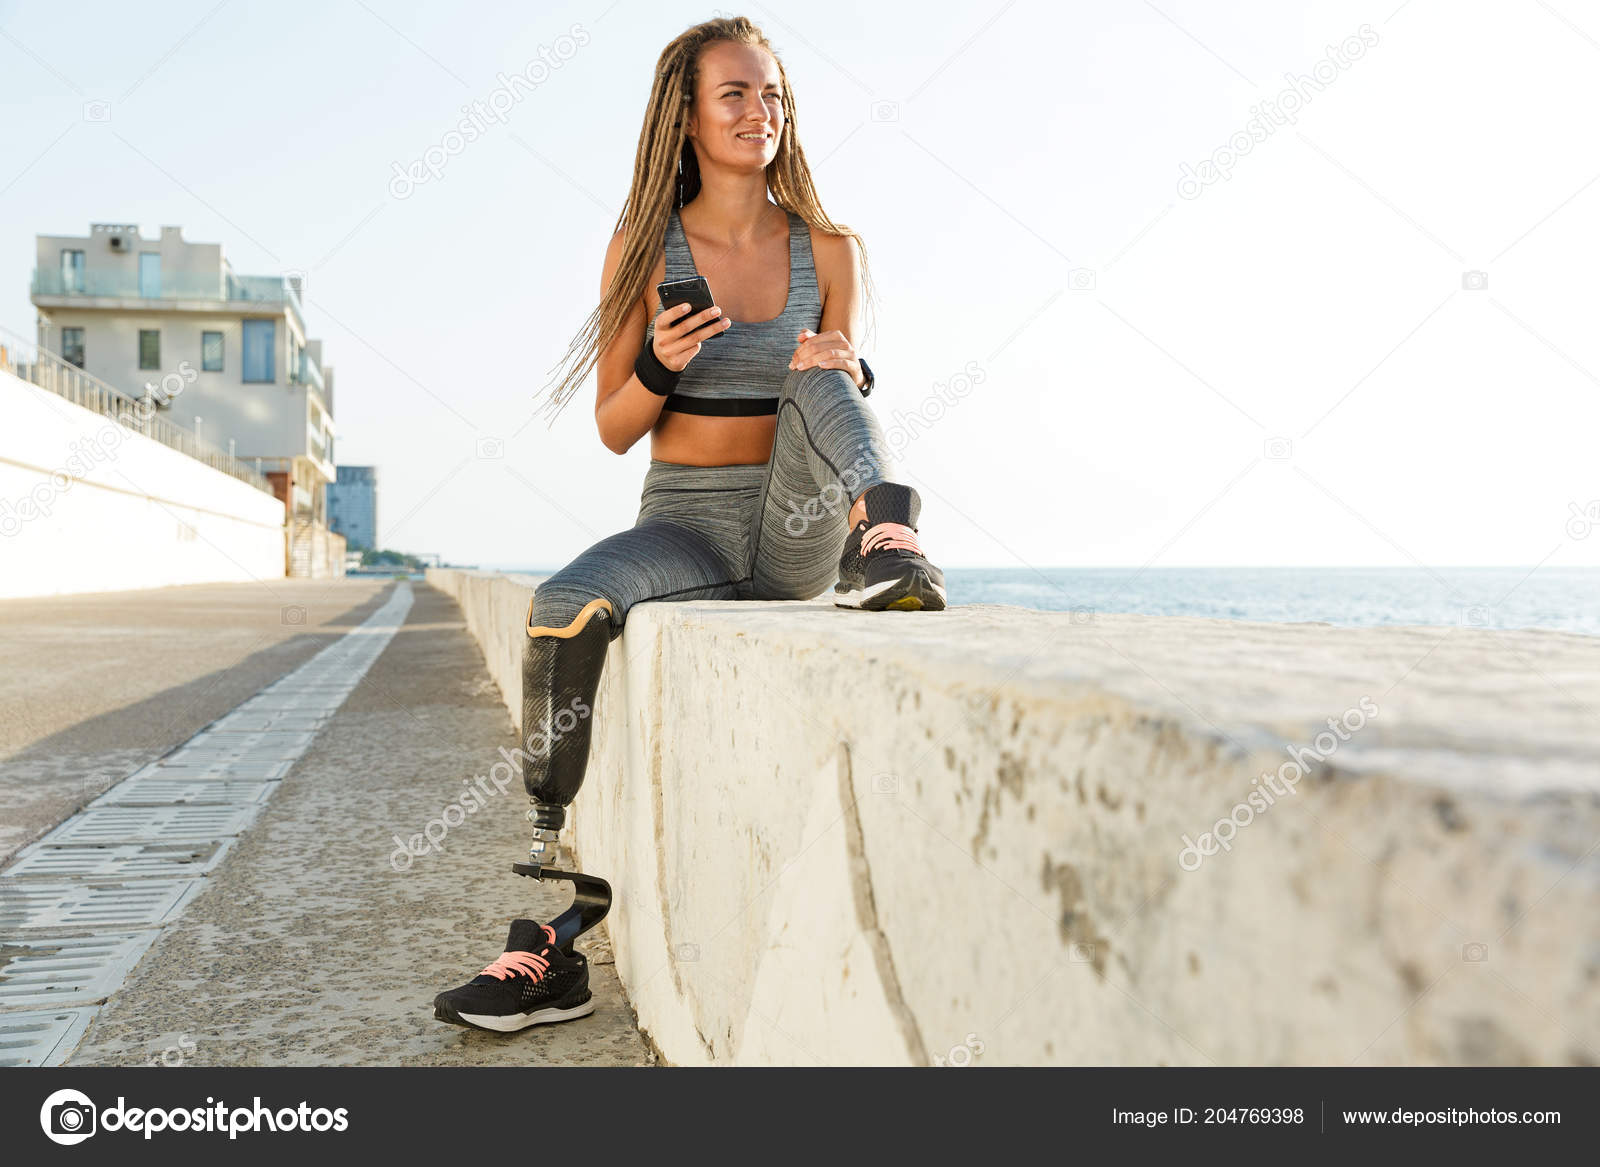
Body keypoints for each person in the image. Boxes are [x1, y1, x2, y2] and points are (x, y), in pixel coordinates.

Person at [432, 15, 947, 1035]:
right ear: (687, 112)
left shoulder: (830, 249)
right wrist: (663, 361)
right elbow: (616, 428)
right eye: (737, 94)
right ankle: (555, 926)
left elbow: (842, 395)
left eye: (775, 96)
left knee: (821, 370)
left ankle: (886, 535)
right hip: (685, 528)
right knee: (562, 606)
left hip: (797, 523)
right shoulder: (643, 247)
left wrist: (848, 366)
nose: (763, 113)